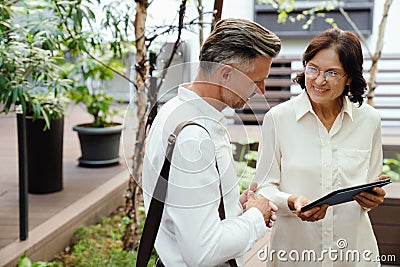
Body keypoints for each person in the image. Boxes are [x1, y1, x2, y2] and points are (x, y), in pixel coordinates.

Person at [141, 18, 281, 266]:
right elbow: (203, 251)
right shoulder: (194, 139)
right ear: (226, 74)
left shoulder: (175, 110)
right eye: (256, 79)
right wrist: (256, 217)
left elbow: (185, 212)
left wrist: (232, 206)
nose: (261, 89)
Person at [254, 28, 387, 267]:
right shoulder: (278, 118)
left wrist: (372, 199)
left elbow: (369, 183)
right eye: (313, 68)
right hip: (293, 256)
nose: (319, 80)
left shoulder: (369, 120)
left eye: (332, 73)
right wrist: (292, 201)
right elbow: (264, 187)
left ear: (349, 78)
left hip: (354, 256)